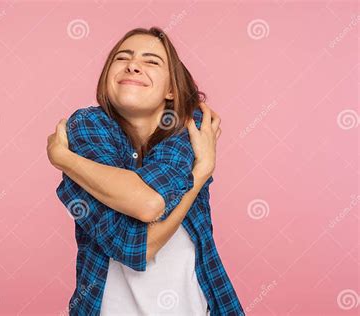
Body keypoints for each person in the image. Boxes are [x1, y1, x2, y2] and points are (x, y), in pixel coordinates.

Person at [47, 27, 244, 316]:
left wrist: (63, 159)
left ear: (171, 90)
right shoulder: (84, 127)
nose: (133, 65)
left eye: (151, 61)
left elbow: (147, 202)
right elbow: (135, 240)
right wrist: (200, 173)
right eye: (121, 58)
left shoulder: (190, 128)